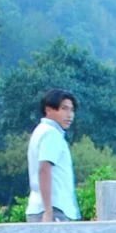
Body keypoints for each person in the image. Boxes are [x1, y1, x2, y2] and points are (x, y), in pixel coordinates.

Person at [26, 88, 79, 223]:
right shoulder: (51, 133)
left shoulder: (42, 131)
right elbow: (44, 169)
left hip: (44, 208)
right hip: (53, 209)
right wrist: (48, 211)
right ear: (49, 110)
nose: (69, 115)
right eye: (64, 109)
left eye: (71, 110)